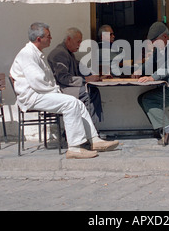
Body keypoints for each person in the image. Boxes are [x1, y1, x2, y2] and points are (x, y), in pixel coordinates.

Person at [10, 22, 118, 159]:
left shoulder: (37, 53)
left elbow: (45, 80)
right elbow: (38, 82)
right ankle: (74, 147)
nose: (51, 38)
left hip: (42, 93)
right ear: (39, 39)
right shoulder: (27, 54)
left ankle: (94, 140)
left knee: (77, 103)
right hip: (34, 96)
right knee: (71, 103)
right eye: (48, 36)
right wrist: (56, 91)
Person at [47, 27, 104, 124]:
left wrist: (98, 76)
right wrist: (86, 79)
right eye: (78, 42)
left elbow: (80, 68)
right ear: (69, 39)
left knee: (93, 90)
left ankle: (90, 128)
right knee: (90, 93)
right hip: (62, 89)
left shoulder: (68, 53)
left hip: (68, 88)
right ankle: (90, 129)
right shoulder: (60, 53)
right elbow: (63, 78)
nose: (80, 45)